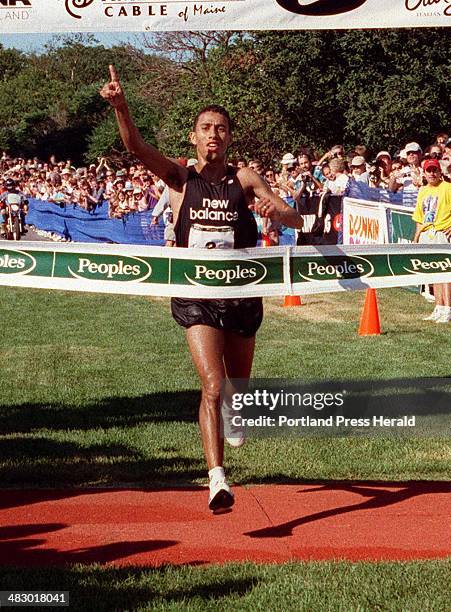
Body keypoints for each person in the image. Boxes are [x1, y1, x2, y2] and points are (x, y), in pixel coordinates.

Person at [100, 65, 303, 512]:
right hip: (197, 297)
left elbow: (294, 218)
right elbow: (135, 147)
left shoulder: (244, 179)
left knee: (237, 389)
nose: (214, 134)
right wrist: (121, 107)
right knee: (212, 385)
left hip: (242, 295)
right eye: (206, 128)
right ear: (194, 138)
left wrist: (278, 213)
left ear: (230, 139)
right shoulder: (180, 176)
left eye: (221, 129)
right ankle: (216, 480)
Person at [412, 158, 451, 323]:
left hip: (441, 232)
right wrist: (416, 237)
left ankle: (448, 309)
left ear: (440, 172)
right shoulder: (423, 191)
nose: (431, 173)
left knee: (445, 272)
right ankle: (438, 307)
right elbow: (419, 217)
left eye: (434, 170)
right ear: (424, 173)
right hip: (426, 233)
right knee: (433, 272)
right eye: (428, 170)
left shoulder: (448, 188)